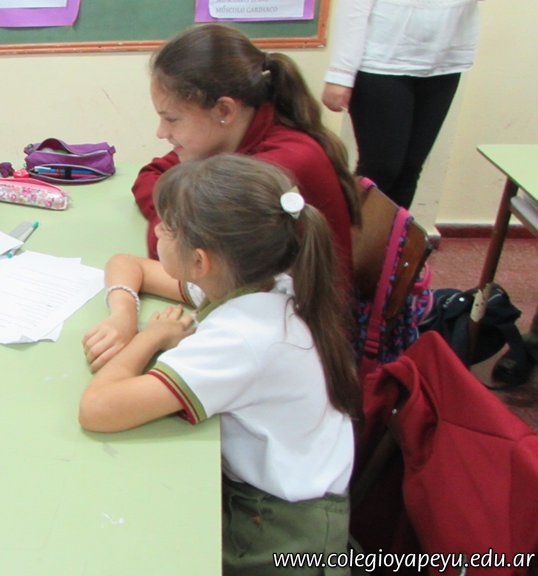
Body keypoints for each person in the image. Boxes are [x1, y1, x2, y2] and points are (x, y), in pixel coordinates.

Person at [81, 155, 358, 574]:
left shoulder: (244, 338)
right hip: (285, 494)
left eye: (167, 228)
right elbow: (127, 263)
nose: (157, 231)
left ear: (199, 261)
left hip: (283, 534)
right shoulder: (256, 282)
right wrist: (123, 313)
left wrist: (150, 336)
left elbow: (98, 409)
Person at [133, 24, 360, 285]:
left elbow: (180, 256)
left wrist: (172, 216)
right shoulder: (232, 138)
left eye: (172, 119)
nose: (161, 132)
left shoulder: (276, 166)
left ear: (224, 111)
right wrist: (176, 210)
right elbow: (153, 173)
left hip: (298, 308)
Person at [322, 0, 481, 209]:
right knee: (381, 169)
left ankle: (393, 231)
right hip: (382, 61)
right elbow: (354, 8)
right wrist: (340, 73)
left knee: (410, 170)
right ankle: (350, 229)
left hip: (444, 61)